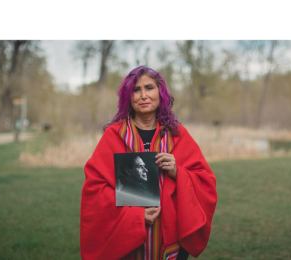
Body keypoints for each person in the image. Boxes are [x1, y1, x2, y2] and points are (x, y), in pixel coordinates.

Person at [80, 66, 217, 260]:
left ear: (160, 92)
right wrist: (135, 217)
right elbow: (95, 190)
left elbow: (206, 181)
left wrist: (178, 172)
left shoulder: (177, 135)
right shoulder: (114, 136)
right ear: (129, 97)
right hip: (127, 241)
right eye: (136, 90)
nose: (143, 95)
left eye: (149, 88)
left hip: (170, 241)